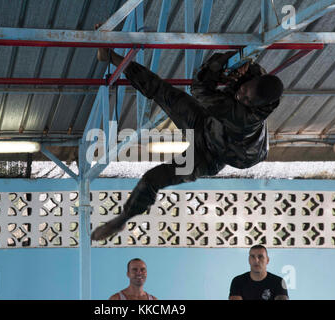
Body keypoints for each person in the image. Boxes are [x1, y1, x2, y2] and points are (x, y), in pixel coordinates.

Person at [91, 33, 284, 241]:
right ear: (255, 79)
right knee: (162, 91)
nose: (241, 96)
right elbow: (250, 66)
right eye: (244, 90)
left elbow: (199, 88)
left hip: (211, 156)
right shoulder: (261, 81)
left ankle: (122, 219)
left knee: (153, 178)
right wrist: (239, 66)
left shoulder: (240, 116)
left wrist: (221, 65)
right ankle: (110, 56)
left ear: (256, 105)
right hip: (210, 126)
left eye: (247, 100)